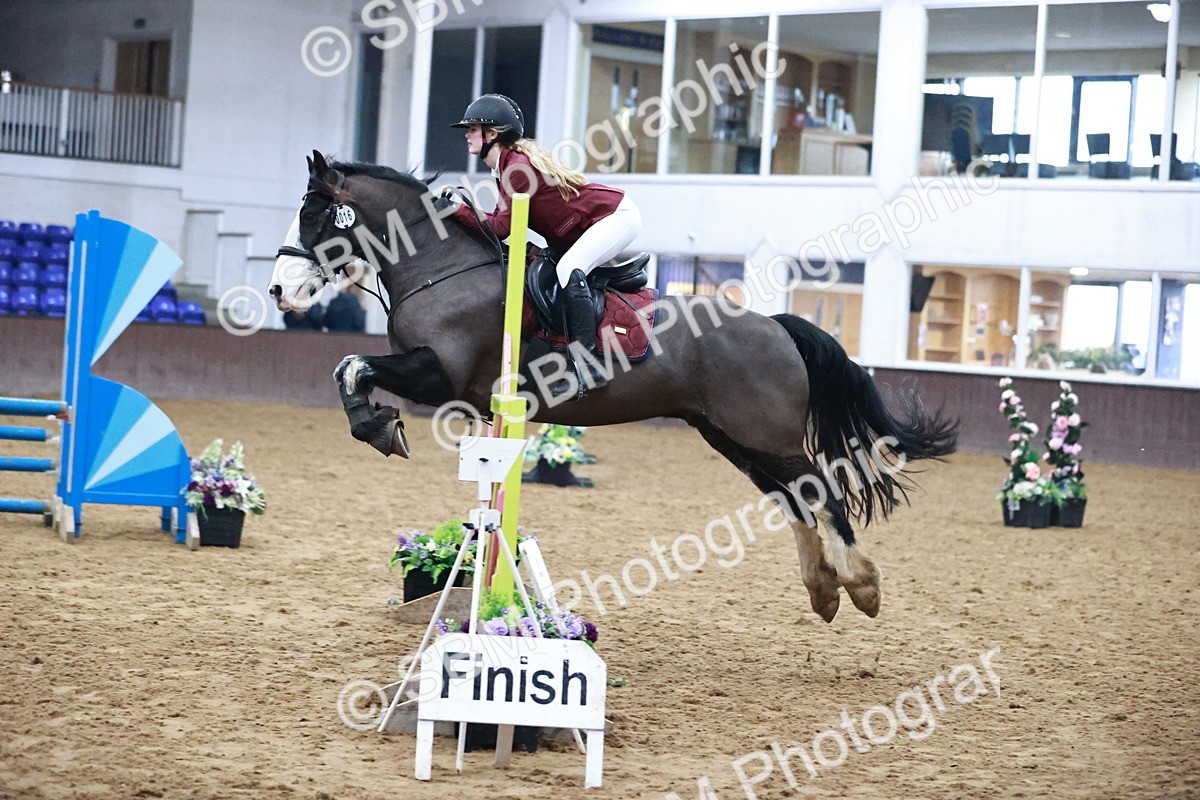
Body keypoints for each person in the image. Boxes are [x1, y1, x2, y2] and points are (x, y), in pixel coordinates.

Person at [446, 93, 642, 400]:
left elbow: (500, 228)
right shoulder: (505, 167)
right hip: (588, 226)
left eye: (473, 128)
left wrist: (458, 210)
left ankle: (587, 366)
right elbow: (500, 220)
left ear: (493, 133)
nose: (467, 134)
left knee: (568, 268)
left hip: (616, 216)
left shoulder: (516, 167)